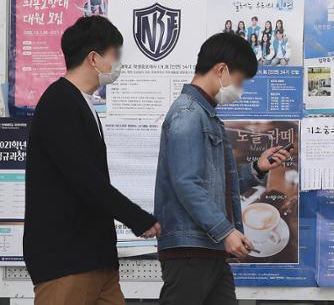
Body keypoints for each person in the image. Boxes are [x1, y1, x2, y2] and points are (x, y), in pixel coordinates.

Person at [24, 16, 161, 305]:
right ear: (94, 58)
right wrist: (137, 218)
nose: (118, 64)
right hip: (66, 261)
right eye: (115, 55)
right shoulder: (58, 102)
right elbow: (85, 179)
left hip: (98, 260)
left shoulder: (84, 103)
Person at [154, 33, 290, 305]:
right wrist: (226, 232)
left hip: (208, 247)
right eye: (239, 81)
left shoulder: (206, 115)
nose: (239, 90)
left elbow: (214, 183)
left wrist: (257, 168)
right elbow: (187, 184)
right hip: (190, 250)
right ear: (221, 70)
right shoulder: (188, 113)